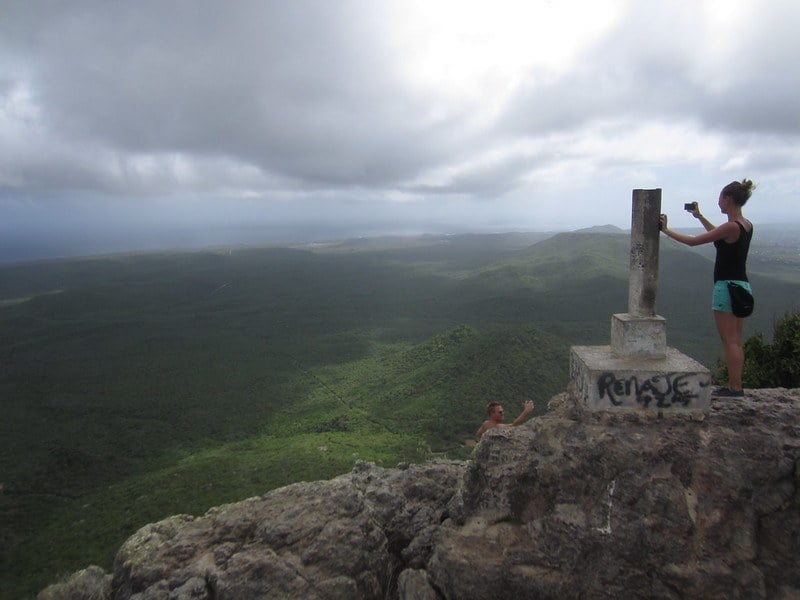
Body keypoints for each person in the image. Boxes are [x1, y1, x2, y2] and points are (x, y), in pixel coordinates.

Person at [659, 179, 756, 398]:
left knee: (729, 340)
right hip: (742, 286)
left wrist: (666, 230)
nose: (718, 202)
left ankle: (735, 388)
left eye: (720, 198)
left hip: (726, 287)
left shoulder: (732, 226)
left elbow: (694, 241)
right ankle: (736, 385)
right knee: (736, 340)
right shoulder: (745, 225)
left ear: (728, 199)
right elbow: (719, 235)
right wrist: (699, 216)